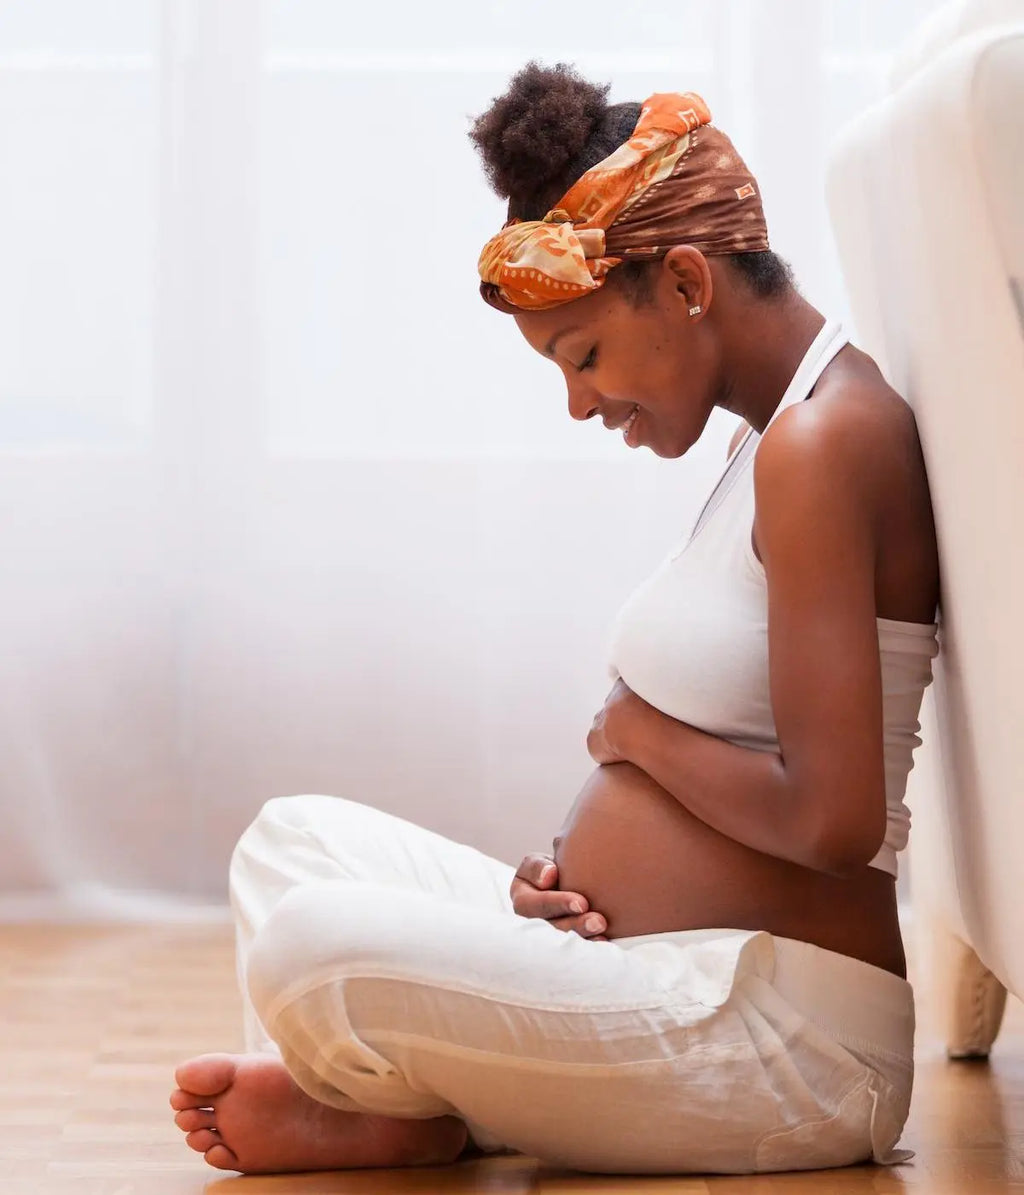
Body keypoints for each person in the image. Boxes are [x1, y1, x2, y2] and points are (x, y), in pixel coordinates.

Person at [169, 62, 940, 1176]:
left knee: (311, 948)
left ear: (683, 282)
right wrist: (577, 876)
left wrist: (633, 737)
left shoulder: (824, 445)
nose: (581, 402)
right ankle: (428, 1099)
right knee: (290, 842)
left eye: (583, 356)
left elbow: (832, 825)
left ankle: (415, 1106)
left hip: (790, 1045)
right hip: (661, 969)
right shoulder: (767, 440)